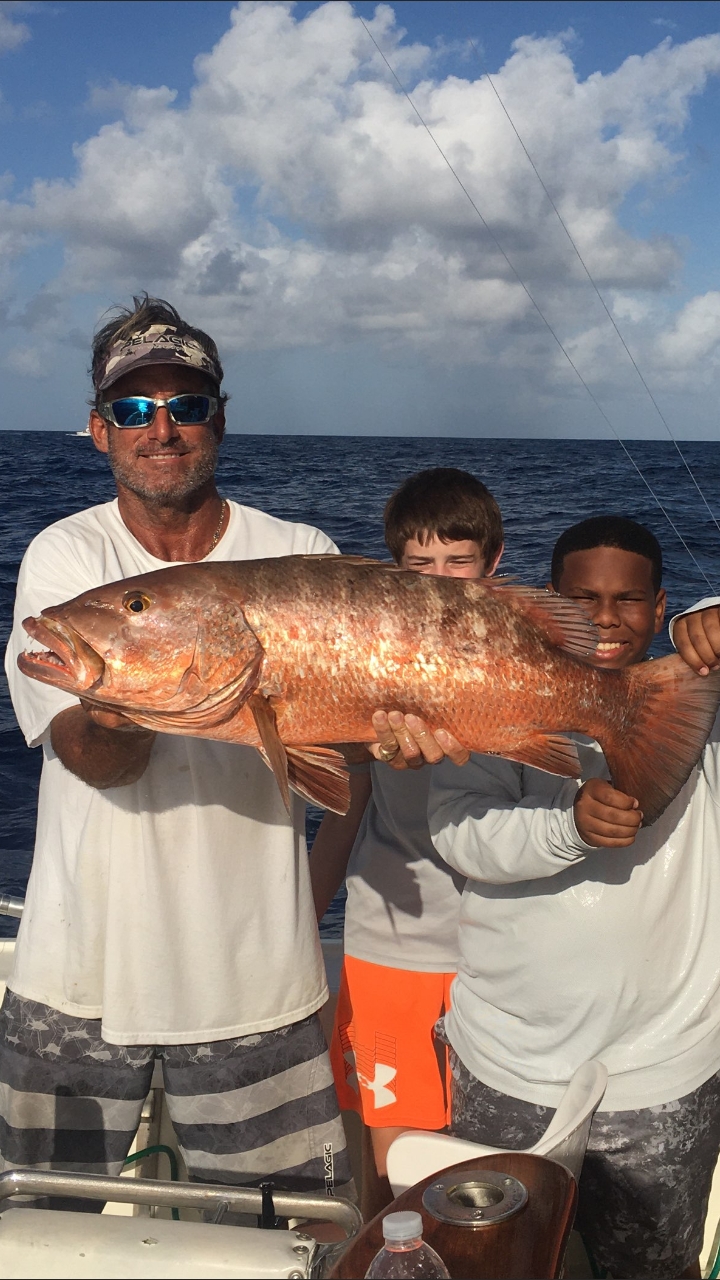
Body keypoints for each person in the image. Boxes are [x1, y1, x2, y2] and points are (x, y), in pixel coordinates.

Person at [1, 294, 357, 1204]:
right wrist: (128, 687)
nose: (161, 428)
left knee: (290, 1236)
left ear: (219, 422)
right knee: (40, 1222)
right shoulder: (64, 558)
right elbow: (97, 758)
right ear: (96, 429)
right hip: (74, 980)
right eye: (132, 408)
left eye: (186, 405)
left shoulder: (301, 552)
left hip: (258, 983)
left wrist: (398, 736)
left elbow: (346, 754)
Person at [427, 514, 720, 1280]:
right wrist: (570, 827)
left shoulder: (706, 708)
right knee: (499, 1267)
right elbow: (459, 831)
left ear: (662, 609)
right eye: (581, 597)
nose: (605, 617)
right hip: (508, 1065)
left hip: (664, 1070)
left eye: (628, 600)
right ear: (547, 601)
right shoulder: (487, 696)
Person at [310, 468, 503, 1216]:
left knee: (487, 1167)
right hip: (391, 948)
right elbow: (347, 808)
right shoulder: (363, 665)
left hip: (500, 957)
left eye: (459, 561)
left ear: (493, 562)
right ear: (394, 574)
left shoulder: (524, 660)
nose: (442, 580)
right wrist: (305, 923)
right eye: (419, 566)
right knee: (397, 1173)